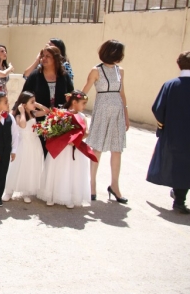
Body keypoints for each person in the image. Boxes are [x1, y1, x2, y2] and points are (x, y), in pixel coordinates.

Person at [82, 40, 129, 203]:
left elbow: (122, 93)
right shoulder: (96, 70)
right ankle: (92, 185)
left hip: (118, 113)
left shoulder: (120, 70)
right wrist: (75, 110)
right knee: (97, 149)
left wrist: (126, 115)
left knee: (117, 150)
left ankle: (115, 186)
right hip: (101, 112)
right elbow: (84, 92)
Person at [146, 51, 190, 214]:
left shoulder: (170, 84)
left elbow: (158, 108)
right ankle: (179, 198)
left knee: (177, 164)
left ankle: (179, 199)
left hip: (173, 134)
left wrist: (163, 125)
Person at [38, 90, 92, 209]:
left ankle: (69, 197)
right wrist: (64, 139)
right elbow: (53, 130)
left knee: (71, 172)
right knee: (58, 170)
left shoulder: (82, 117)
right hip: (61, 149)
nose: (85, 106)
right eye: (83, 103)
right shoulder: (61, 114)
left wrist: (76, 139)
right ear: (74, 102)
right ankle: (51, 195)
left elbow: (87, 132)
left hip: (75, 149)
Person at [2, 91, 48, 203]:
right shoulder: (18, 116)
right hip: (23, 145)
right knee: (17, 167)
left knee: (30, 167)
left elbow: (47, 111)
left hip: (34, 144)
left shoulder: (34, 113)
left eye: (34, 101)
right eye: (32, 102)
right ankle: (9, 191)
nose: (34, 103)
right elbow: (23, 125)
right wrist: (22, 112)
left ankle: (26, 192)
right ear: (24, 104)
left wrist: (37, 105)